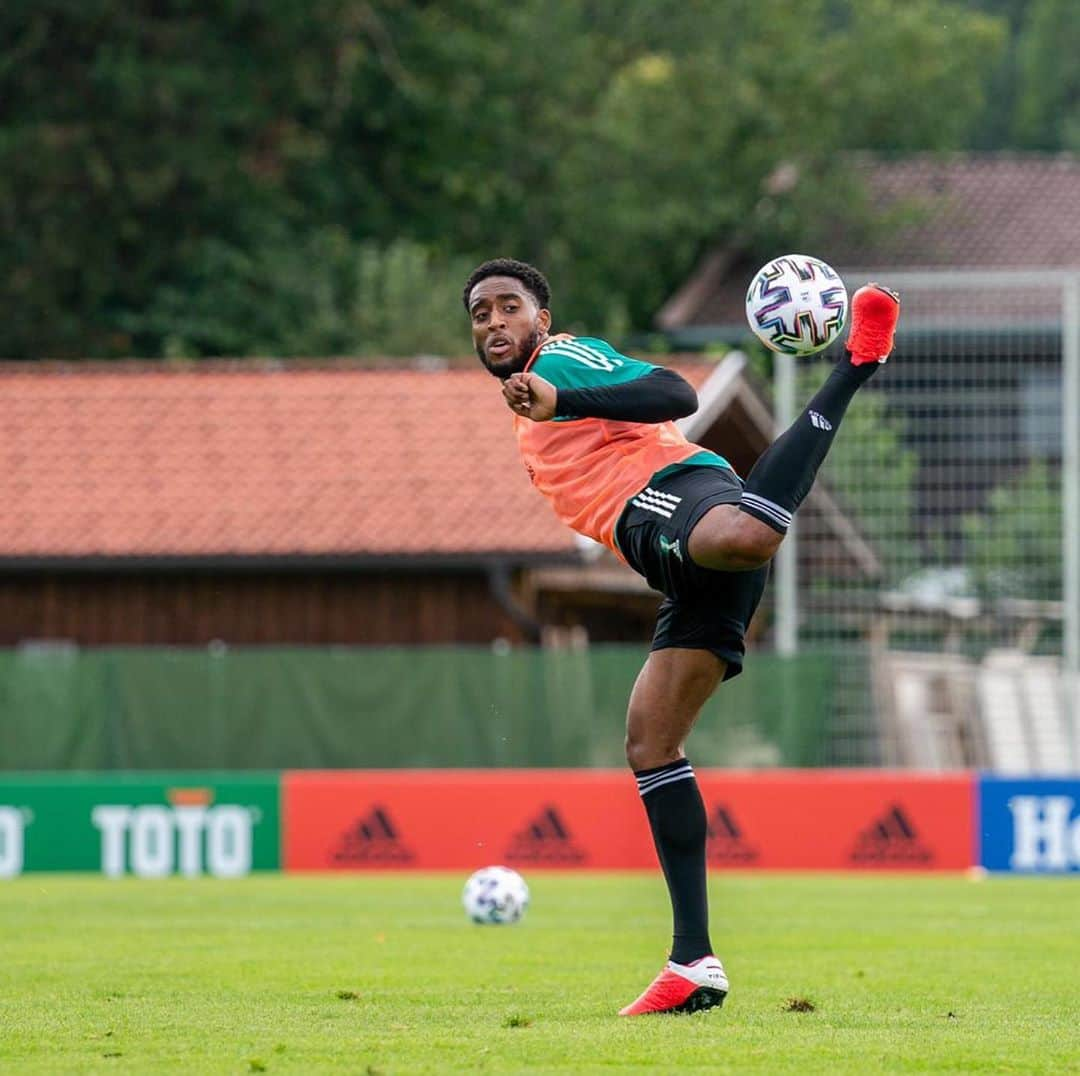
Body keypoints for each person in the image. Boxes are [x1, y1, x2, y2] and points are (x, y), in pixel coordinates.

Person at [463, 257, 900, 1016]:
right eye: (480, 313)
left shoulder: (562, 357)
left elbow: (677, 393)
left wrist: (561, 391)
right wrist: (547, 406)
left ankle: (856, 366)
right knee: (650, 742)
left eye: (509, 307)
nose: (495, 322)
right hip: (674, 560)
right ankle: (693, 960)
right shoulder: (526, 409)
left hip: (679, 497)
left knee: (747, 534)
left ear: (540, 317)